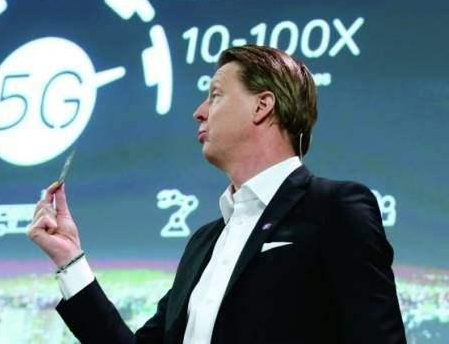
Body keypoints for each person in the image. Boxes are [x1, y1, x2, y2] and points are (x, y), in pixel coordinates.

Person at [29, 45, 406, 343]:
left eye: (215, 95)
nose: (198, 112)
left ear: (262, 105)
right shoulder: (203, 243)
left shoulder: (335, 209)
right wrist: (70, 261)